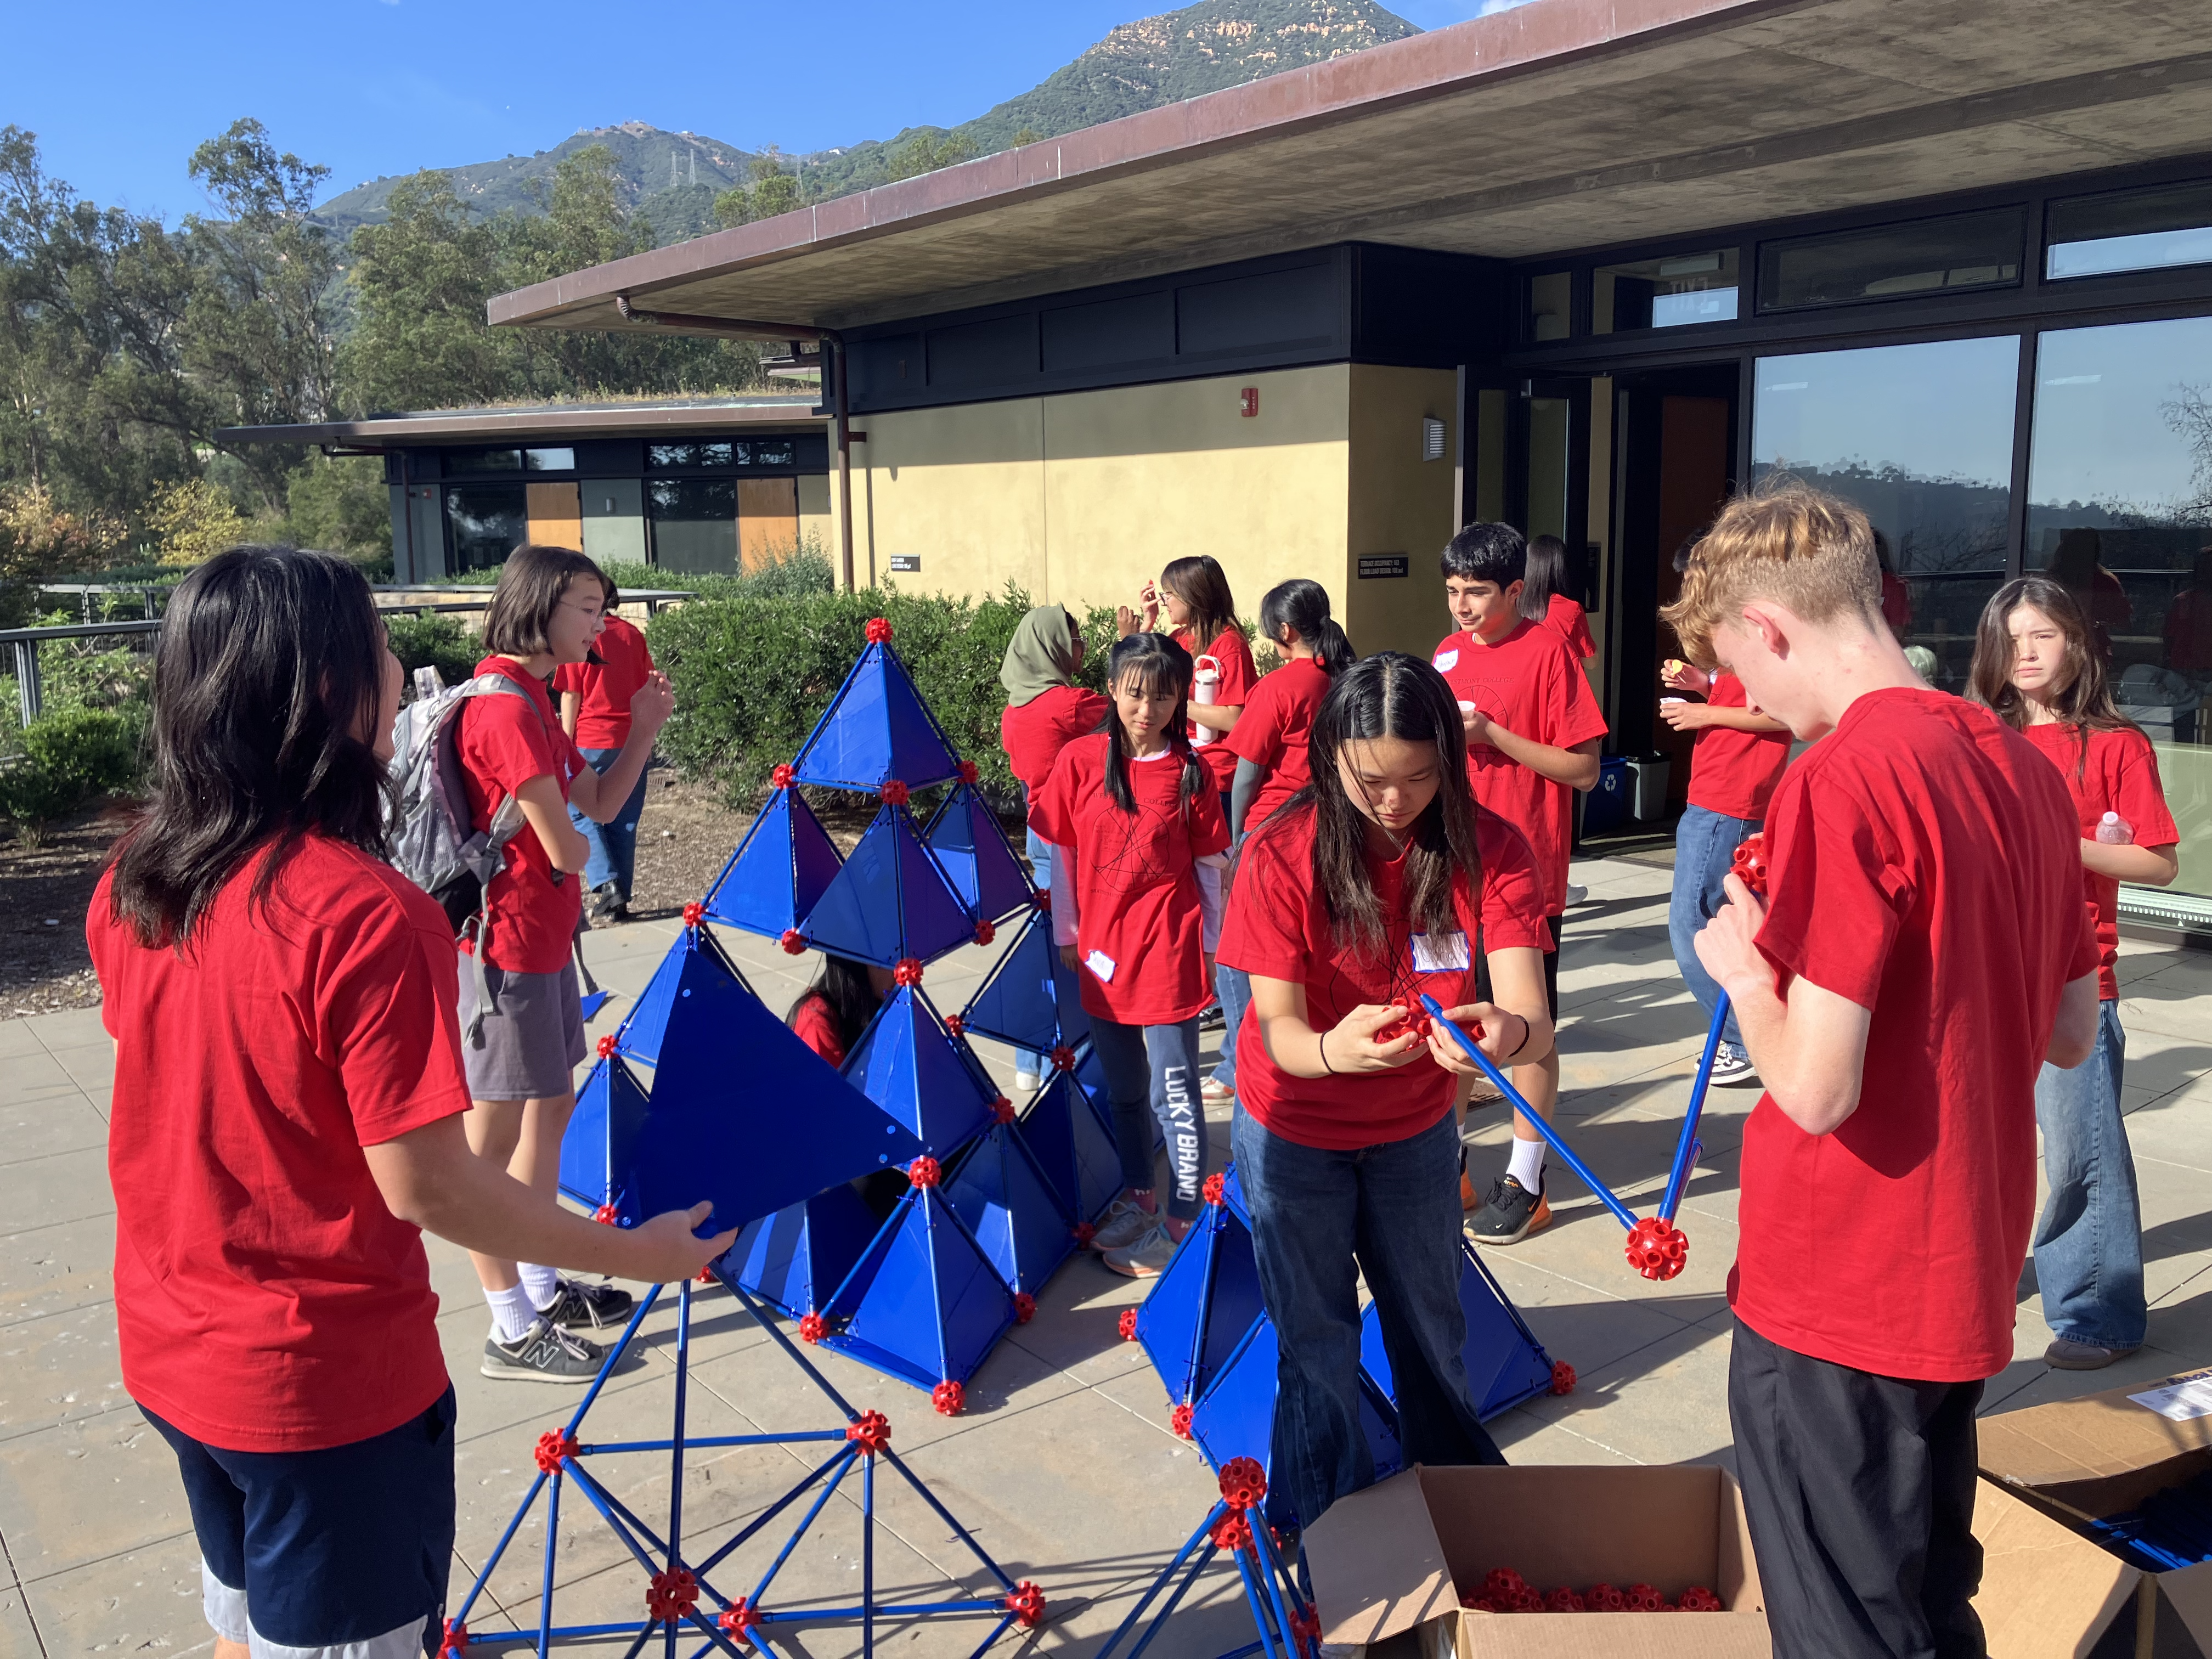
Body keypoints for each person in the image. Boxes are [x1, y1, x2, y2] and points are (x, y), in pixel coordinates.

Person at [87, 546, 731, 1659]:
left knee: (244, 1621)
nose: (404, 671)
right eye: (383, 649)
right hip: (320, 1390)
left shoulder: (139, 874)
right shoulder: (365, 915)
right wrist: (639, 1256)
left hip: (174, 1348)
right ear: (327, 690)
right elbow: (431, 1183)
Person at [1670, 484, 2100, 1659]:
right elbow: (2070, 1029)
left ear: (1768, 627)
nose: (1747, 703)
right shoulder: (2022, 767)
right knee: (1922, 1600)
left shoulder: (1842, 776)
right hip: (1959, 1263)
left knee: (1843, 1625)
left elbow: (1815, 1089)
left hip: (1840, 1284)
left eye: (1736, 672)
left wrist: (1745, 974)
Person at [1216, 651, 1554, 1537]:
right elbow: (1281, 1031)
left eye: (1417, 777)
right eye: (1370, 779)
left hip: (1411, 1131)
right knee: (1316, 1344)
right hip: (1293, 1127)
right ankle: (1333, 1542)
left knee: (1430, 1333)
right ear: (1329, 755)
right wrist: (1334, 1047)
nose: (1394, 802)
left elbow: (1532, 1021)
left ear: (1450, 758)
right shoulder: (1280, 848)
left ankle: (1461, 1526)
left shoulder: (1490, 847)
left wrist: (1499, 1034)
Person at [455, 545, 675, 1381]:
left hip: (545, 943)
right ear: (541, 607)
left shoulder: (541, 702)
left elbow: (601, 807)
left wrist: (644, 728)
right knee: (492, 1140)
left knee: (549, 1114)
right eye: (587, 607)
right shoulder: (505, 711)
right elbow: (570, 846)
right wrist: (574, 841)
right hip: (506, 950)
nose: (603, 623)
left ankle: (542, 1286)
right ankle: (509, 1324)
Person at [1972, 576, 2180, 1370]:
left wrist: (2058, 841)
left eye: (2043, 636)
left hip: (2075, 984)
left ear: (2077, 645)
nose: (2024, 652)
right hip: (1982, 978)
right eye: (2011, 637)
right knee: (1982, 1150)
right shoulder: (1978, 739)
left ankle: (2099, 1314)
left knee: (2080, 1158)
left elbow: (2157, 862)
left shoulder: (2117, 743)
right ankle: (1983, 1279)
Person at [1030, 631, 1231, 1278]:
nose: (1148, 708)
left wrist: (1214, 945)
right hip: (1100, 954)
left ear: (1180, 700)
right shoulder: (1081, 762)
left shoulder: (1190, 773)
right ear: (1113, 690)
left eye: (1164, 695)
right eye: (1136, 693)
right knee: (1123, 1091)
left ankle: (1180, 1218)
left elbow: (1210, 864)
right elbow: (1061, 852)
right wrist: (1068, 931)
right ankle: (1140, 1197)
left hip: (1168, 953)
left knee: (1175, 1091)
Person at [1430, 522, 1606, 1241]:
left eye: (1476, 592)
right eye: (1452, 592)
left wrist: (1494, 737)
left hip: (1520, 878)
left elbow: (1584, 769)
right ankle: (1451, 1166)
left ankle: (1526, 1179)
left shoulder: (1550, 653)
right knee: (1448, 1026)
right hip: (1445, 872)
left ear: (1514, 589)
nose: (1463, 606)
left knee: (1528, 1031)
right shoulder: (1443, 655)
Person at [1207, 578, 1357, 1109]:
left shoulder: (1280, 687)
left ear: (1285, 631)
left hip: (1273, 833)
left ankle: (1238, 1062)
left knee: (1239, 954)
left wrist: (1235, 840)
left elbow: (1247, 775)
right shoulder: (1345, 677)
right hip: (1333, 829)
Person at [1659, 542, 1793, 1087]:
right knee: (1729, 917)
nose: (1691, 588)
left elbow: (1781, 714)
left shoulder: (1753, 627)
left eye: (1694, 575)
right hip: (1720, 797)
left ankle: (1741, 1038)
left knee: (1693, 921)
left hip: (1729, 802)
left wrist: (1703, 712)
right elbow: (1752, 701)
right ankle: (1751, 1031)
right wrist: (1705, 685)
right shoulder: (1736, 632)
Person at [1121, 556, 1257, 1064]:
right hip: (1181, 777)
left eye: (1171, 595)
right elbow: (1143, 674)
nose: (1165, 600)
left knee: (1217, 898)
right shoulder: (1182, 641)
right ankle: (1214, 997)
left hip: (1215, 783)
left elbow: (1235, 717)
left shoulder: (1228, 646)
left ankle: (1233, 1036)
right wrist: (1148, 628)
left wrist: (1176, 706)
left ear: (1196, 596)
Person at [998, 605, 1109, 1090]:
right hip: (1073, 834)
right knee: (1077, 943)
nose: (1081, 645)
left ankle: (1030, 1059)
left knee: (1048, 938)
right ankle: (1076, 1054)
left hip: (1037, 829)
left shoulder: (1014, 710)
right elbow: (1129, 709)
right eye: (1075, 637)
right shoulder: (1068, 703)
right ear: (1052, 646)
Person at [554, 578, 658, 924]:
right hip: (630, 738)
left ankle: (607, 884)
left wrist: (564, 742)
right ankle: (621, 897)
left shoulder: (579, 637)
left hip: (591, 738)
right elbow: (647, 684)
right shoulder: (632, 635)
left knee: (581, 812)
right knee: (625, 819)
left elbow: (570, 694)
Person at [787, 955, 911, 1217]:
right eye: (885, 961)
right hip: (825, 1166)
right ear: (855, 963)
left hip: (867, 1144)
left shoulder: (882, 1006)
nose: (898, 970)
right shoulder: (816, 1016)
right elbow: (831, 1121)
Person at [1521, 533, 1597, 661]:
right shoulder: (1570, 609)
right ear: (1561, 567)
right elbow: (1591, 660)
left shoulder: (1512, 603)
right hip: (1557, 680)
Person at [2164, 546, 2212, 676]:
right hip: (2185, 674)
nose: (2208, 571)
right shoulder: (2182, 601)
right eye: (2206, 566)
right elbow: (2169, 640)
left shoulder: (2182, 601)